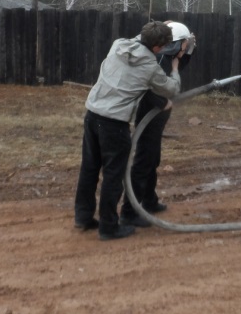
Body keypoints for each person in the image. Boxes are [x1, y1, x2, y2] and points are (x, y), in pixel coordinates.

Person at [74, 21, 181, 240]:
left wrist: (158, 28)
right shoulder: (151, 67)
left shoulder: (118, 45)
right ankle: (109, 227)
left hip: (92, 114)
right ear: (158, 48)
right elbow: (172, 89)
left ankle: (83, 216)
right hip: (114, 124)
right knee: (113, 176)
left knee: (90, 168)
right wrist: (176, 69)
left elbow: (139, 40)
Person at [120, 21, 195, 227]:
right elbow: (153, 90)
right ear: (177, 45)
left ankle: (149, 200)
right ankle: (129, 211)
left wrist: (180, 50)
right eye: (185, 44)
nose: (187, 48)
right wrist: (163, 102)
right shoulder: (160, 61)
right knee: (144, 161)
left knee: (153, 158)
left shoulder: (167, 56)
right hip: (148, 117)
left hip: (156, 120)